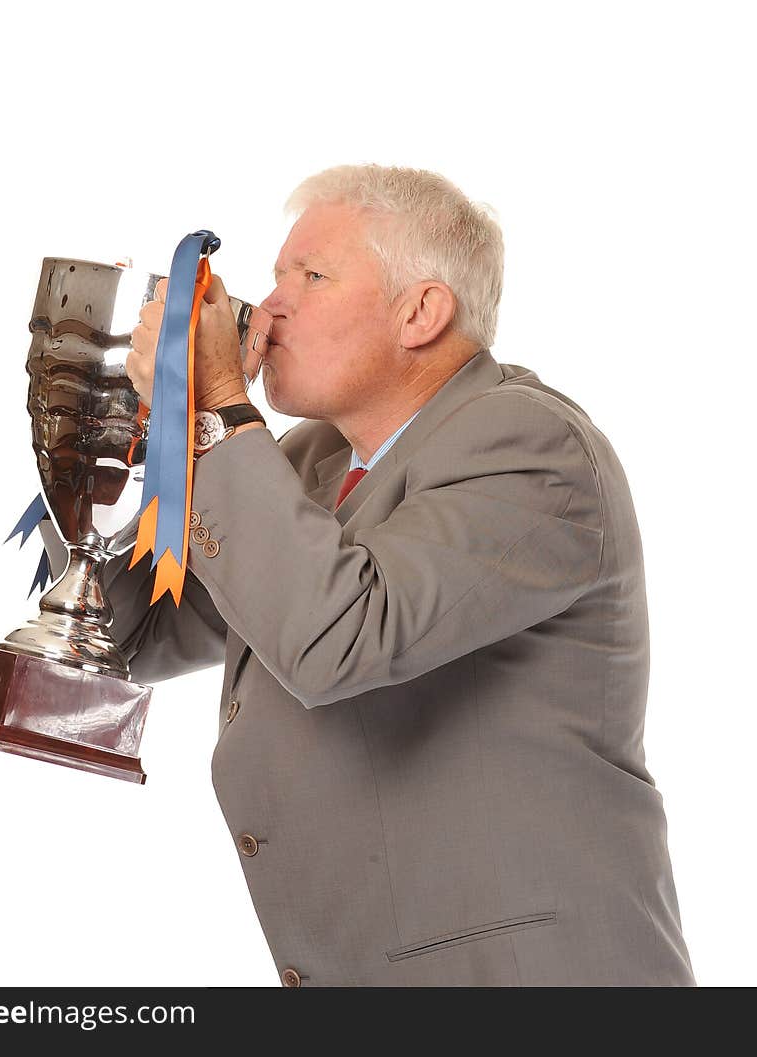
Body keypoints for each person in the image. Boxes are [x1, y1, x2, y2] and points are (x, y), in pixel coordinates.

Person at [41, 164, 695, 986]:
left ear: (420, 312)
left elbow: (335, 638)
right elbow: (126, 637)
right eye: (277, 274)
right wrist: (138, 443)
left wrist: (213, 411)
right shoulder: (312, 459)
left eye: (310, 276)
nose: (269, 304)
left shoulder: (533, 448)